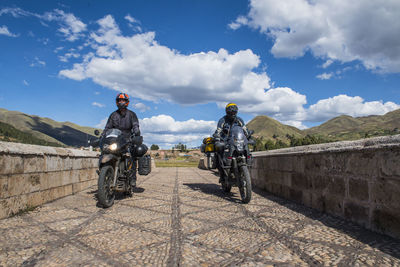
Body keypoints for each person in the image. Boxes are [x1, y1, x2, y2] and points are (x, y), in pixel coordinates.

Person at [102, 92, 141, 187]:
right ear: (116, 102)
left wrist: (136, 132)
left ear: (127, 102)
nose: (121, 102)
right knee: (105, 152)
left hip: (127, 140)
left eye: (123, 100)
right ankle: (104, 173)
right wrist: (102, 135)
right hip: (115, 140)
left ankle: (132, 178)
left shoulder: (132, 114)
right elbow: (107, 127)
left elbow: (135, 125)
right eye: (119, 100)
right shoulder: (113, 115)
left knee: (131, 156)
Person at [213, 103, 249, 183]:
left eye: (234, 112)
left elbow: (244, 129)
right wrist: (217, 139)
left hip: (237, 141)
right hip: (226, 141)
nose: (232, 114)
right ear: (227, 112)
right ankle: (222, 174)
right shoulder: (222, 120)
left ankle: (245, 170)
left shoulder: (239, 119)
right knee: (220, 153)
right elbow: (218, 130)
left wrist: (248, 136)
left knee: (247, 150)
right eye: (230, 113)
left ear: (236, 112)